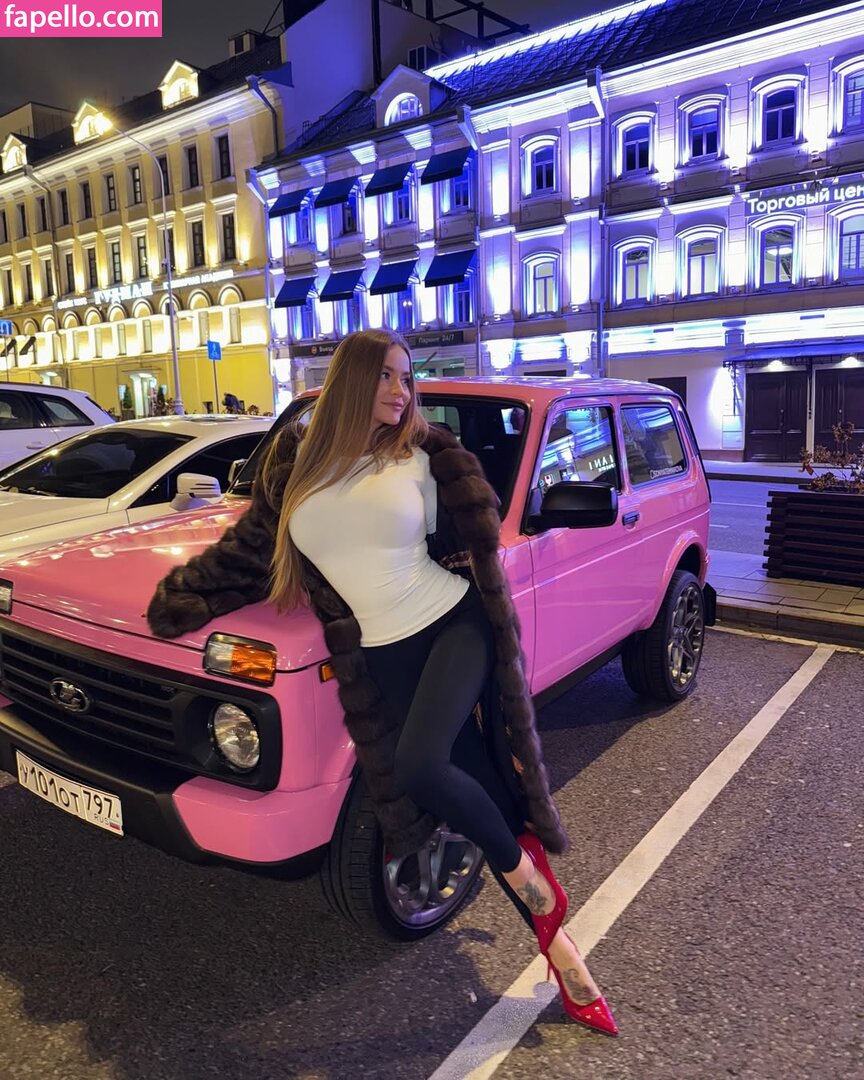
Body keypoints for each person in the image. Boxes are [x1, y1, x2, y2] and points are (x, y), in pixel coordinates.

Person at [146, 329, 617, 1036]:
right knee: (485, 790)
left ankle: (530, 885)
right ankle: (567, 958)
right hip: (383, 652)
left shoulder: (425, 458)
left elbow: (477, 535)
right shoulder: (296, 467)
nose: (402, 391)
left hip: (453, 626)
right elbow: (246, 554)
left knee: (421, 766)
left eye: (407, 378)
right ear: (352, 381)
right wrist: (183, 599)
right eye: (387, 376)